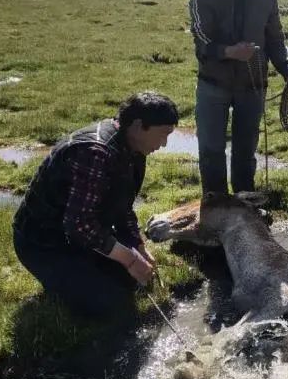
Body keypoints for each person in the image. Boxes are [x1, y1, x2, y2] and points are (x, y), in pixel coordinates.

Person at [12, 92, 178, 321]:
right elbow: (79, 225)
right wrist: (128, 259)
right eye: (163, 135)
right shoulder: (95, 152)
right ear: (139, 125)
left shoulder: (133, 147)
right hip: (43, 243)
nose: (164, 144)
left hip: (78, 237)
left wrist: (137, 247)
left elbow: (123, 208)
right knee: (111, 304)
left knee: (132, 280)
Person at [188, 0, 288, 197]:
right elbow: (200, 37)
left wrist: (287, 69)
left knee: (246, 148)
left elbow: (274, 34)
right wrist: (228, 52)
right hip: (213, 83)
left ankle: (245, 202)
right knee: (212, 148)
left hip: (253, 83)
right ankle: (215, 204)